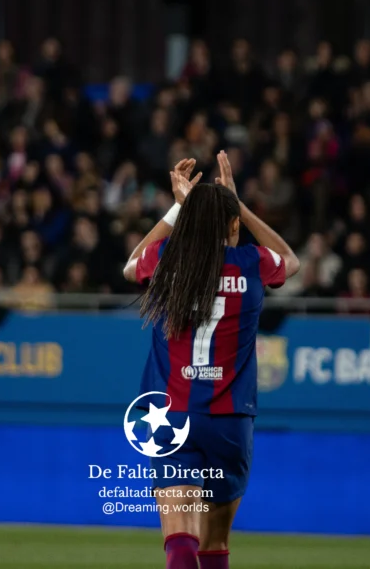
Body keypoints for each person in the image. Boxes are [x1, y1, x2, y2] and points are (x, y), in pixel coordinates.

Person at [123, 152, 301, 569]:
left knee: (179, 538)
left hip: (171, 414)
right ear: (234, 225)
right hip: (229, 419)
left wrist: (179, 207)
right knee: (214, 541)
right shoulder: (253, 264)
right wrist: (237, 204)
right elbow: (291, 260)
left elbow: (131, 264)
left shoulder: (169, 261)